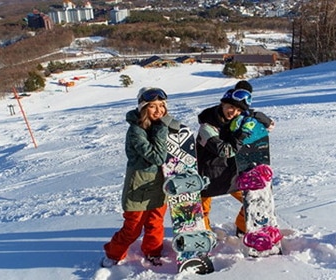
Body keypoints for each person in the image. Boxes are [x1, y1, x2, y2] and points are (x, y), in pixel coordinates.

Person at [101, 87, 179, 268]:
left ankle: (153, 251)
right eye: (153, 106)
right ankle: (113, 253)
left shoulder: (160, 125)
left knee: (155, 223)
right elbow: (157, 157)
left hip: (160, 184)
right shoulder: (136, 131)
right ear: (143, 108)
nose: (159, 110)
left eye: (162, 106)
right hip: (139, 187)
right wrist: (162, 127)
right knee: (132, 228)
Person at [196, 80, 275, 236]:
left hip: (232, 172)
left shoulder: (239, 121)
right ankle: (203, 235)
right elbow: (226, 151)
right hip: (208, 173)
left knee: (255, 200)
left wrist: (254, 115)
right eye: (230, 107)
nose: (233, 112)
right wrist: (242, 134)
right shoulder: (207, 126)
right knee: (202, 209)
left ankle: (242, 226)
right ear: (222, 104)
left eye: (238, 110)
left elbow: (270, 126)